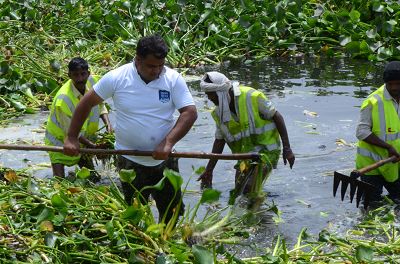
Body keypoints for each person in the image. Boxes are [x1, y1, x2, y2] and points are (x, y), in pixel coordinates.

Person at [63, 35, 197, 224]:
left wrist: (168, 142)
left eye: (160, 65)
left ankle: (168, 245)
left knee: (171, 212)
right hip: (130, 161)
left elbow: (189, 113)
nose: (157, 71)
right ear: (138, 59)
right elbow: (86, 104)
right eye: (151, 66)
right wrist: (71, 137)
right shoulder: (118, 77)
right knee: (135, 214)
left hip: (165, 160)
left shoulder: (173, 79)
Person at [197, 72, 295, 203]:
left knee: (248, 189)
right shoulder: (218, 113)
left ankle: (260, 216)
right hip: (243, 156)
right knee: (237, 193)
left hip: (266, 152)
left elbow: (276, 116)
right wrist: (209, 170)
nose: (209, 98)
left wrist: (287, 148)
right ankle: (254, 215)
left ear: (221, 92)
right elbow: (219, 142)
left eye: (211, 94)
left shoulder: (251, 96)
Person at [45, 57, 112, 181]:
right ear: (69, 75)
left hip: (84, 138)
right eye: (75, 75)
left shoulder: (94, 82)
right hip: (60, 140)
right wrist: (94, 147)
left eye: (83, 74)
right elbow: (72, 132)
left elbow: (101, 104)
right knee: (60, 182)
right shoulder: (63, 99)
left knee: (93, 179)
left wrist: (108, 125)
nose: (80, 79)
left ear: (88, 73)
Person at [356, 61, 400, 206]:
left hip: (394, 164)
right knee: (371, 205)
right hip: (371, 165)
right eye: (390, 84)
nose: (394, 88)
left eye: (398, 84)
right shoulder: (373, 101)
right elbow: (361, 132)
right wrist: (388, 147)